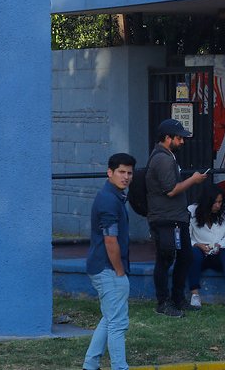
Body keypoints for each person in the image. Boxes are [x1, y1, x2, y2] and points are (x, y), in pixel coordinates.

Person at [145, 118, 207, 317]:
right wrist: (194, 179)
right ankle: (164, 302)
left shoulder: (168, 156)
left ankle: (178, 299)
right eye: (179, 138)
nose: (182, 142)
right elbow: (171, 190)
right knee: (165, 259)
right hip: (165, 219)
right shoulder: (162, 158)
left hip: (176, 218)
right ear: (167, 138)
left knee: (185, 256)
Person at [83, 153, 136, 370]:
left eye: (129, 173)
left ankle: (90, 364)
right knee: (118, 323)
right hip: (108, 270)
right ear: (110, 173)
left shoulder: (113, 196)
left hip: (103, 267)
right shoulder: (108, 200)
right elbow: (110, 240)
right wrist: (119, 272)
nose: (125, 177)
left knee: (109, 317)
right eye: (121, 172)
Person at [187, 184, 225, 309]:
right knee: (192, 253)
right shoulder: (191, 211)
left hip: (218, 251)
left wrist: (219, 245)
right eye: (214, 202)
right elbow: (186, 237)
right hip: (200, 252)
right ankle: (195, 295)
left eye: (220, 202)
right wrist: (197, 245)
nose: (218, 205)